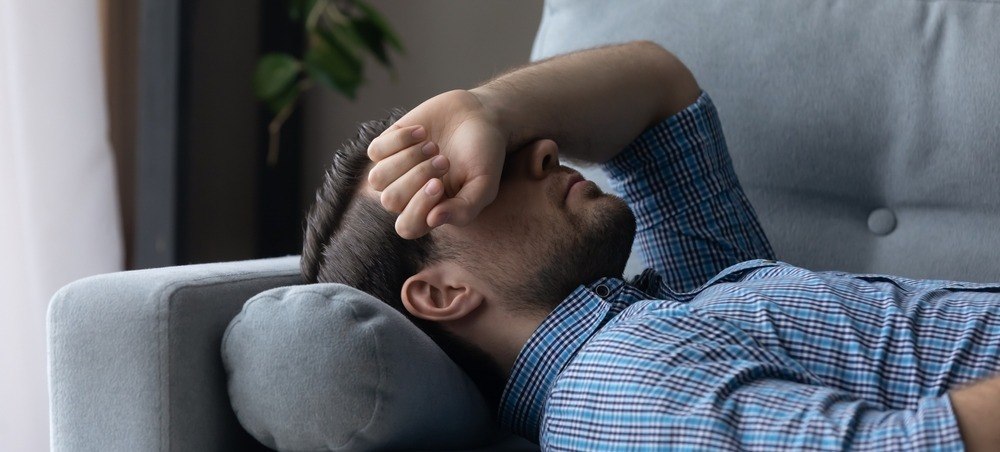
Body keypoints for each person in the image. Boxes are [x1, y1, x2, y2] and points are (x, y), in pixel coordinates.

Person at [300, 41, 1000, 450]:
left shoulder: (677, 304)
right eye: (462, 183)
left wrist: (488, 109)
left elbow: (660, 93)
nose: (538, 151)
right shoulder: (625, 387)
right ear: (443, 293)